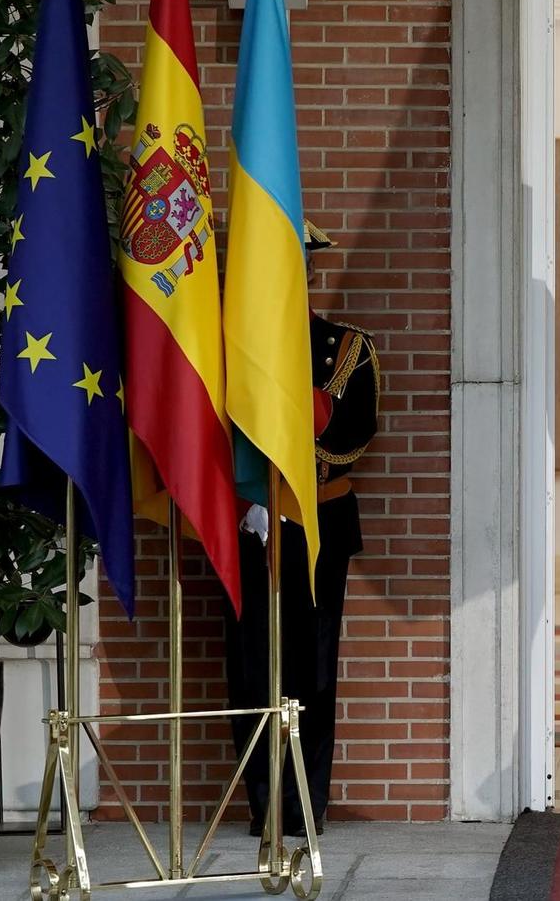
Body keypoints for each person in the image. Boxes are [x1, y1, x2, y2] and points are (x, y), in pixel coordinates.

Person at [226, 221, 378, 838]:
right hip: (249, 524)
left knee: (313, 667)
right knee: (249, 665)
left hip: (317, 521)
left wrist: (288, 467)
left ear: (310, 276)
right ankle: (263, 805)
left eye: (297, 269)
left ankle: (305, 806)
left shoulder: (344, 347)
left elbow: (354, 432)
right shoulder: (229, 344)